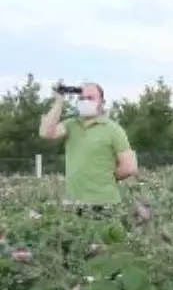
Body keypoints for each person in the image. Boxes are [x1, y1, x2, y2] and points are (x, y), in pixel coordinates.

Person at [38, 81, 138, 211]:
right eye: (81, 98)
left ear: (102, 103)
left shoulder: (114, 129)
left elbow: (129, 167)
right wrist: (59, 102)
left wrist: (104, 178)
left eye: (90, 98)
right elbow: (46, 132)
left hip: (104, 202)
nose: (85, 101)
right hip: (74, 202)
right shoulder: (71, 125)